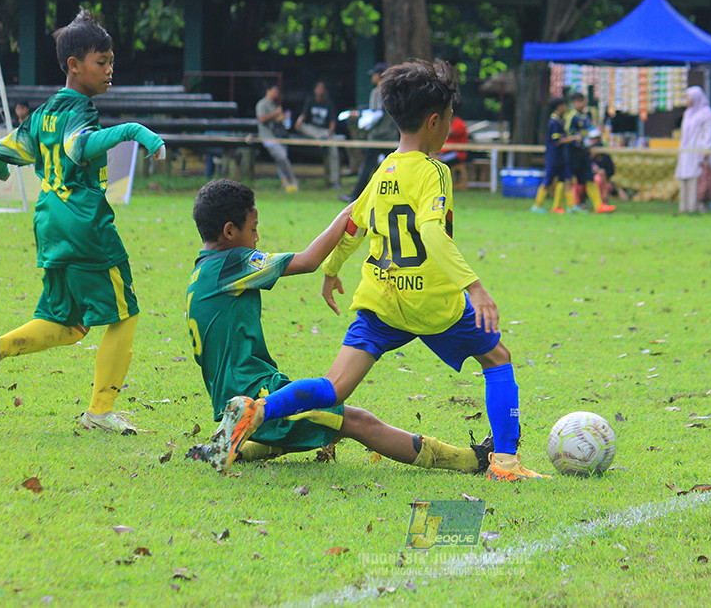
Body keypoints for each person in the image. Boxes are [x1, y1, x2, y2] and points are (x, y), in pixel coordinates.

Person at [207, 59, 550, 482]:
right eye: (449, 121)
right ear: (433, 121)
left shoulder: (384, 168)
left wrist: (332, 269)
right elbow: (432, 233)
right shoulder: (433, 172)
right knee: (497, 359)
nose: (449, 128)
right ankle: (506, 464)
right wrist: (474, 287)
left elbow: (355, 221)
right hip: (432, 301)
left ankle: (258, 409)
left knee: (334, 386)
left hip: (382, 299)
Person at [186, 179, 492, 472]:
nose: (256, 239)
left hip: (233, 389)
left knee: (310, 424)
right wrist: (349, 213)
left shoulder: (203, 270)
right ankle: (470, 460)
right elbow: (308, 261)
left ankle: (230, 446)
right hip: (254, 392)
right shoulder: (235, 262)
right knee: (357, 422)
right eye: (253, 230)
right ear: (229, 231)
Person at [0, 9, 166, 434]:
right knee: (124, 314)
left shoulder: (42, 114)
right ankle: (100, 410)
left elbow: (5, 148)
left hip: (49, 222)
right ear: (74, 65)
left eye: (111, 61)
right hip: (84, 223)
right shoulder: (79, 112)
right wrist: (134, 130)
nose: (111, 70)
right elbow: (79, 148)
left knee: (68, 324)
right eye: (102, 62)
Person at [338, 63, 397, 203]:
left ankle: (355, 195)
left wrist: (364, 125)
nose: (372, 77)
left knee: (367, 166)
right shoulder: (393, 92)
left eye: (374, 75)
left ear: (379, 76)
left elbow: (376, 114)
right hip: (390, 135)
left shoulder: (377, 92)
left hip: (377, 136)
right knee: (396, 167)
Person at [564, 92, 615, 213]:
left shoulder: (586, 116)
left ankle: (599, 205)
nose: (582, 104)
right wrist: (575, 139)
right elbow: (566, 133)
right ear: (573, 103)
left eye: (583, 101)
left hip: (584, 152)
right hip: (573, 152)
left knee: (589, 177)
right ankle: (572, 205)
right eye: (579, 101)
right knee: (570, 179)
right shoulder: (571, 116)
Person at [675, 86, 711, 215]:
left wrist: (706, 149)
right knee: (685, 176)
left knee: (697, 177)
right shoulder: (688, 113)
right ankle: (684, 206)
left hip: (698, 150)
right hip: (686, 150)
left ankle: (696, 206)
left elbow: (708, 134)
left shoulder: (707, 114)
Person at [295, 79, 341, 188]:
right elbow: (303, 116)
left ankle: (334, 181)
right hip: (313, 131)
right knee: (303, 127)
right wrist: (298, 122)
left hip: (325, 131)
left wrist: (330, 133)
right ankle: (321, 138)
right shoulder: (310, 100)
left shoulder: (329, 102)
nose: (320, 90)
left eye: (322, 88)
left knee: (334, 150)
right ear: (315, 90)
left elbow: (332, 121)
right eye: (318, 88)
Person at [255, 84, 298, 191]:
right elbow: (262, 119)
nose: (276, 93)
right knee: (282, 158)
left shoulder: (273, 104)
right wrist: (276, 114)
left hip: (278, 136)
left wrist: (282, 117)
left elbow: (277, 120)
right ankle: (293, 180)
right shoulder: (262, 104)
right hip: (267, 137)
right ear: (268, 91)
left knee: (280, 160)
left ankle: (286, 183)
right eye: (275, 91)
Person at [438, 112, 469, 188]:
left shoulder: (459, 123)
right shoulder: (448, 122)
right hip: (445, 151)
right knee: (434, 158)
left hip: (458, 153)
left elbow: (449, 132)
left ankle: (443, 184)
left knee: (439, 160)